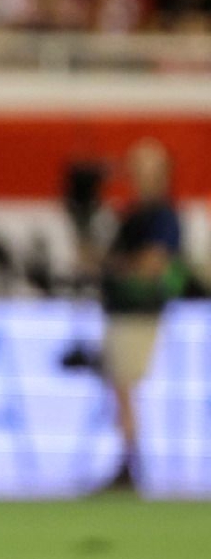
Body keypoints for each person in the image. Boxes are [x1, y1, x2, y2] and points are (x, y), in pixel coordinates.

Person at [99, 137, 183, 490]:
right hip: (122, 311)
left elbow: (153, 264)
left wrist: (116, 267)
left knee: (124, 385)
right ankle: (128, 459)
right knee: (119, 386)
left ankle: (130, 463)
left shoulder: (162, 215)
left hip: (139, 313)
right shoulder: (131, 213)